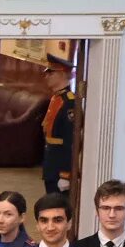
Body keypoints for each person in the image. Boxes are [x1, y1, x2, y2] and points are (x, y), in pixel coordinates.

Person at [41, 54, 77, 197]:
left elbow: (70, 140)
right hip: (51, 162)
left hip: (60, 165)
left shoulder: (69, 102)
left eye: (50, 72)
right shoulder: (56, 98)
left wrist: (65, 174)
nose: (46, 76)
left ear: (62, 73)